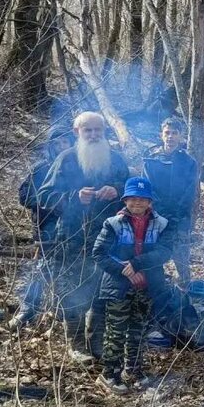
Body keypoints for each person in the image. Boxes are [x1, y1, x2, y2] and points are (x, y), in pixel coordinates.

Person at [38, 111, 131, 363]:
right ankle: (76, 343)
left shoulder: (117, 160)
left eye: (97, 130)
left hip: (109, 238)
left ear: (104, 132)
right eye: (87, 130)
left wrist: (118, 191)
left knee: (103, 290)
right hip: (72, 237)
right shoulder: (66, 159)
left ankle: (96, 340)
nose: (93, 135)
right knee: (73, 291)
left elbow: (135, 196)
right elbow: (43, 196)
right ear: (77, 132)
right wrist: (73, 197)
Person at [92, 177, 175, 394]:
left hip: (147, 285)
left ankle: (134, 369)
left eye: (142, 199)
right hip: (118, 286)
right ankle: (109, 373)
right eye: (133, 199)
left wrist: (137, 264)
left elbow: (165, 251)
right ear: (125, 200)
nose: (137, 203)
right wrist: (123, 270)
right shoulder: (113, 224)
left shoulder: (161, 224)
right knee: (116, 331)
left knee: (138, 329)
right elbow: (99, 253)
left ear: (150, 202)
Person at [8, 125, 74, 330]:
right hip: (46, 230)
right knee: (40, 272)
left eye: (66, 142)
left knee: (70, 272)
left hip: (75, 231)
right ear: (51, 146)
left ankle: (64, 313)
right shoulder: (41, 168)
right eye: (57, 143)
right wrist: (49, 202)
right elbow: (24, 196)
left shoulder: (79, 166)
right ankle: (28, 309)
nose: (61, 146)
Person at [141, 117, 198, 286]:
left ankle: (184, 288)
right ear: (161, 135)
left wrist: (177, 214)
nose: (170, 137)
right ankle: (156, 286)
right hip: (155, 216)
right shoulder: (151, 160)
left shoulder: (189, 162)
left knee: (181, 257)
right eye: (167, 133)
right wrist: (158, 211)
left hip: (181, 218)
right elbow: (147, 188)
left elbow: (190, 192)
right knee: (155, 253)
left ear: (181, 136)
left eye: (175, 133)